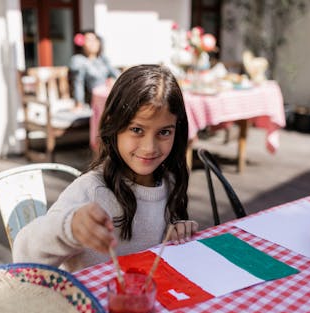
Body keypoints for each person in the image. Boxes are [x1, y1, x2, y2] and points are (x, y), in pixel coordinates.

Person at [13, 64, 198, 272]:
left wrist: (176, 231)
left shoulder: (169, 182)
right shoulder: (91, 190)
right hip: (89, 301)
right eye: (137, 130)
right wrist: (69, 228)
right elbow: (23, 256)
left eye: (164, 132)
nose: (149, 148)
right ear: (113, 125)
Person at [69, 30, 120, 108]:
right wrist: (79, 103)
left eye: (95, 40)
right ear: (81, 43)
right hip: (92, 101)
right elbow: (78, 82)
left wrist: (112, 79)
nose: (92, 43)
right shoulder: (78, 60)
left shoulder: (103, 59)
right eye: (88, 40)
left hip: (107, 96)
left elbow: (116, 75)